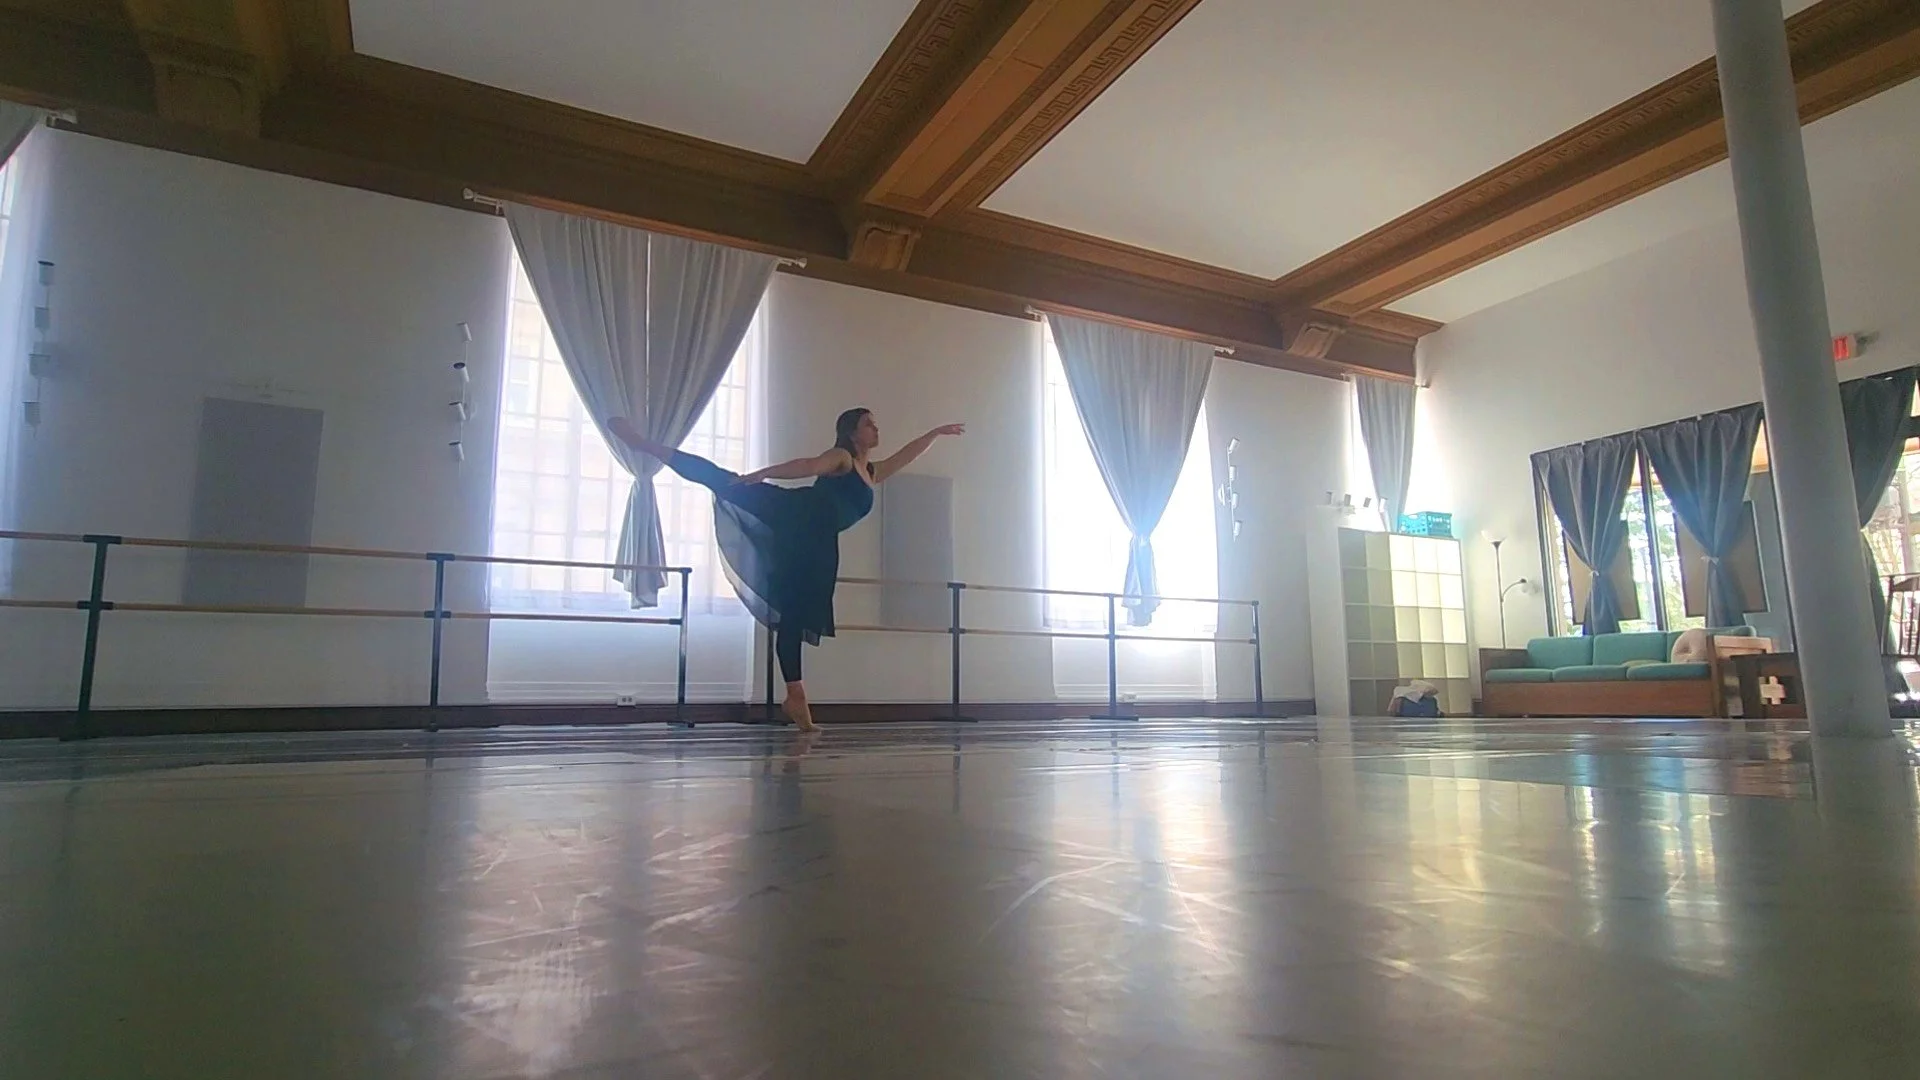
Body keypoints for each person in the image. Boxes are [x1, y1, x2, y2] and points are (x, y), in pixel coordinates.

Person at [607, 409, 964, 732]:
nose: (876, 428)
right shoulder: (841, 457)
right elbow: (809, 466)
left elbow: (905, 455)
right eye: (869, 423)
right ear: (853, 433)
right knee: (723, 480)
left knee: (798, 614)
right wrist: (763, 474)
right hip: (793, 513)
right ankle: (643, 444)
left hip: (817, 542)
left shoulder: (871, 472)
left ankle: (795, 696)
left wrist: (934, 431)